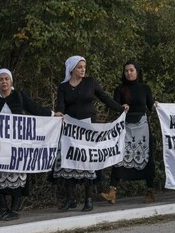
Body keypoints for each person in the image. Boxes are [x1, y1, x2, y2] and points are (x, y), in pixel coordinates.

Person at [0, 68, 52, 221]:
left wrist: (53, 115)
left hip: (17, 145)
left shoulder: (19, 96)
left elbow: (34, 108)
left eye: (6, 79)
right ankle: (3, 207)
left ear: (11, 81)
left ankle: (15, 209)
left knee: (17, 175)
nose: (4, 82)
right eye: (1, 79)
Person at [53, 56, 128, 212]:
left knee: (87, 162)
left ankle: (88, 199)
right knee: (68, 160)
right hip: (70, 129)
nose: (83, 69)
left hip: (88, 128)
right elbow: (60, 105)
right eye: (80, 67)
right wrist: (59, 113)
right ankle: (70, 198)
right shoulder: (63, 87)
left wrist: (120, 108)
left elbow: (105, 98)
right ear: (72, 69)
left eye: (84, 67)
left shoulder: (90, 82)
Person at [100, 61, 156, 204]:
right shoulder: (120, 89)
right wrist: (121, 106)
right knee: (119, 157)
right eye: (126, 71)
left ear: (137, 71)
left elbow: (151, 106)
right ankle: (112, 192)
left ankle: (150, 191)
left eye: (131, 70)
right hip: (125, 127)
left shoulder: (145, 88)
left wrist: (157, 105)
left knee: (146, 157)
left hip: (142, 127)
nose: (129, 73)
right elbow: (114, 106)